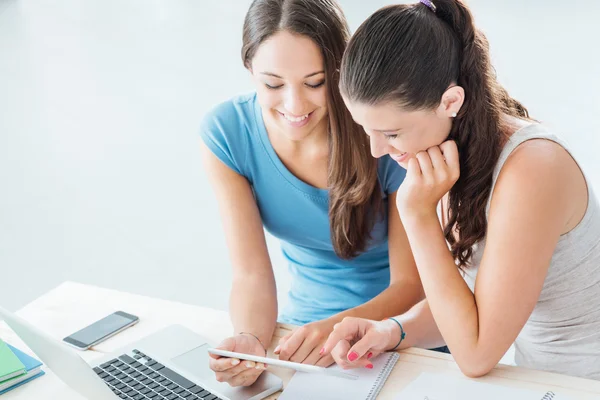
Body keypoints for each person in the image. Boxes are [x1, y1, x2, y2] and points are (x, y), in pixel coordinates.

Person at [321, 0, 600, 380]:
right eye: (365, 129)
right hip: (542, 380)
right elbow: (471, 306)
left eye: (391, 133)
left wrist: (417, 215)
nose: (376, 151)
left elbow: (475, 354)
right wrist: (393, 329)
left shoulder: (533, 169)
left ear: (451, 101)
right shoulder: (447, 153)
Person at [200, 0, 424, 387]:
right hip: (301, 333)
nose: (294, 105)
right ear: (249, 68)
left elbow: (411, 284)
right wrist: (251, 339)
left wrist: (339, 326)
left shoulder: (383, 136)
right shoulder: (227, 133)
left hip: (401, 332)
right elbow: (251, 273)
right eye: (272, 84)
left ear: (339, 70)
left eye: (314, 82)